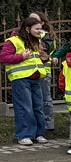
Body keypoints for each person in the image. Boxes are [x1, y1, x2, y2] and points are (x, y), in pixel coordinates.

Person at [1, 14, 49, 145]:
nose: (40, 31)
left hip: (35, 78)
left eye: (40, 29)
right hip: (21, 79)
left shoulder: (36, 41)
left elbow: (36, 58)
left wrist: (45, 58)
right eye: (37, 29)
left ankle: (38, 134)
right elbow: (4, 57)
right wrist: (21, 57)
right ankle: (24, 135)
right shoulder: (13, 41)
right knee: (25, 107)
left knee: (37, 107)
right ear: (27, 29)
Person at [34, 12, 56, 132]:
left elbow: (46, 49)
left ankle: (48, 123)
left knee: (45, 97)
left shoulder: (46, 36)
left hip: (44, 70)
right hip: (30, 70)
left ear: (42, 23)